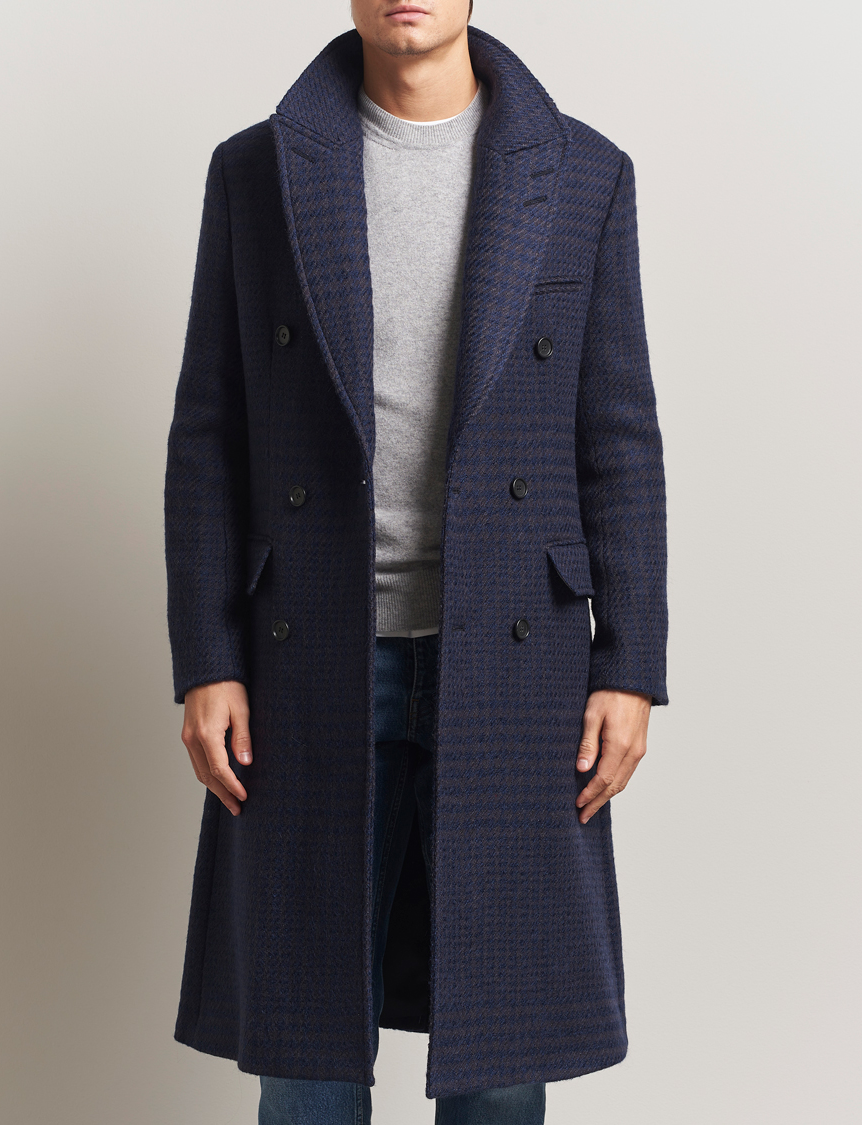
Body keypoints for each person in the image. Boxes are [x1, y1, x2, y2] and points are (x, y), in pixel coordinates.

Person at [164, 2, 668, 1122]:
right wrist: (208, 658)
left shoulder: (584, 174)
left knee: (503, 1051)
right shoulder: (256, 170)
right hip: (307, 655)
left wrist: (630, 667)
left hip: (517, 660)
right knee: (305, 1053)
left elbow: (618, 434)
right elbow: (209, 430)